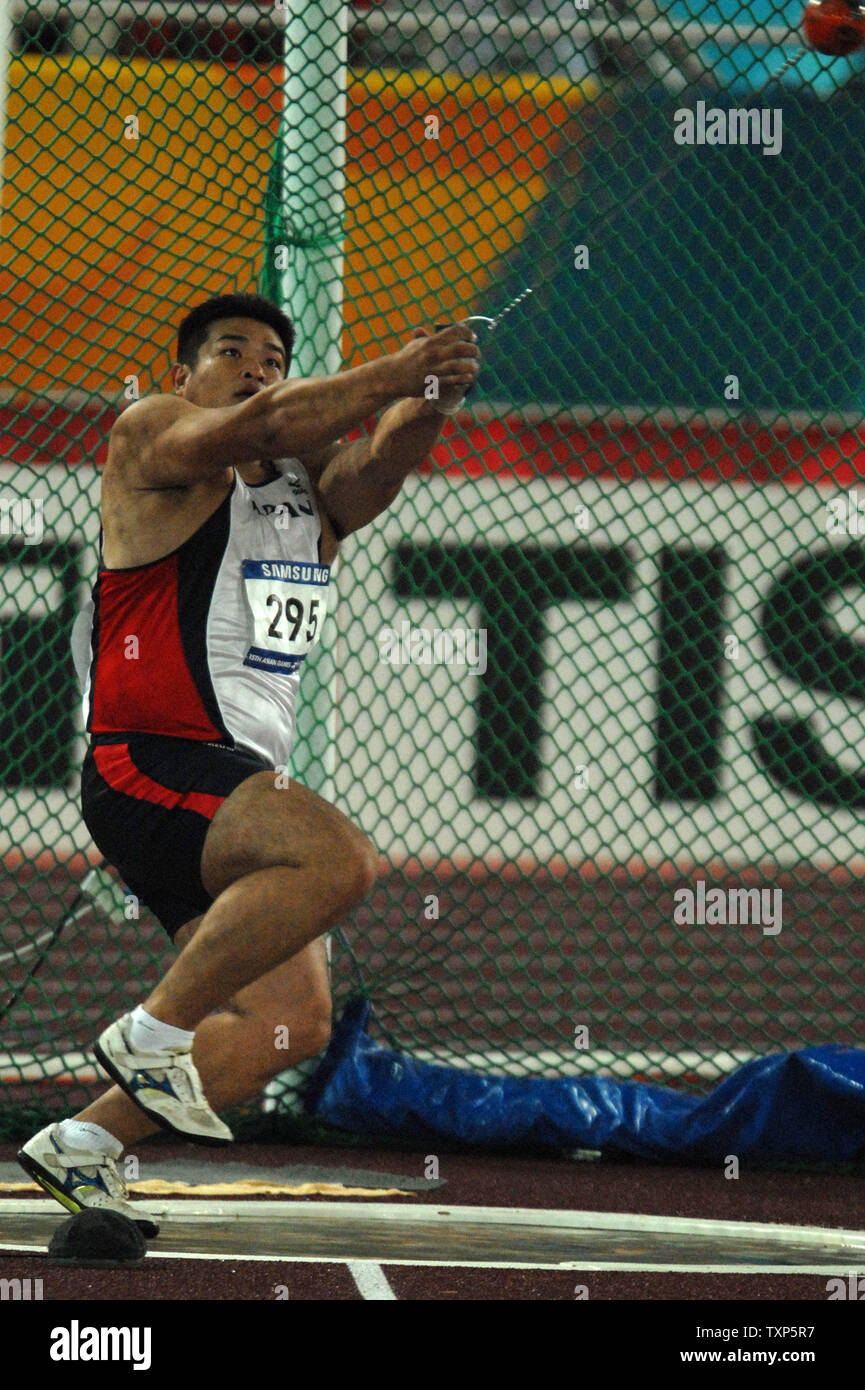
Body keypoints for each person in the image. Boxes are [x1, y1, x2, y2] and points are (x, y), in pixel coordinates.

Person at [18, 292, 479, 1231]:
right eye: (233, 352)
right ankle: (148, 1034)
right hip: (150, 762)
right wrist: (390, 370)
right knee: (337, 858)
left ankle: (85, 1144)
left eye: (273, 357)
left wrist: (427, 392)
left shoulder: (311, 498)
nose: (258, 368)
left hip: (219, 787)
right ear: (184, 374)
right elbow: (264, 421)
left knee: (290, 1024)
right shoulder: (153, 436)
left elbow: (382, 456)